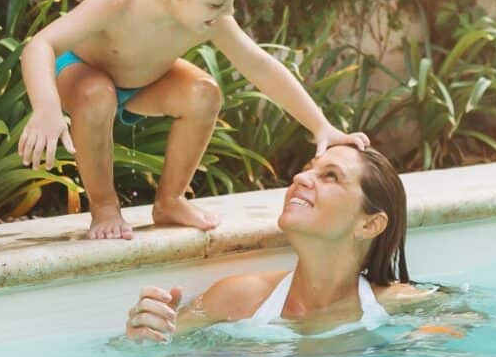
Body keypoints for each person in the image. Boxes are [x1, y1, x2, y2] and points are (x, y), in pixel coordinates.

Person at [17, 0, 367, 238]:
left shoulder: (209, 18)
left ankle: (170, 201)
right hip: (81, 74)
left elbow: (259, 65)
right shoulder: (118, 1)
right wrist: (47, 108)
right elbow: (40, 46)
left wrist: (320, 125)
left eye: (232, 0)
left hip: (143, 83)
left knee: (204, 93)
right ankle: (105, 207)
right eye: (217, 2)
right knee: (97, 95)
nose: (227, 11)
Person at [124, 144, 431, 340]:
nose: (300, 178)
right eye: (309, 168)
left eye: (330, 176)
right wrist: (142, 331)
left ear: (369, 224)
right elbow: (148, 350)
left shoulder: (400, 304)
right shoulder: (235, 298)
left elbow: (459, 327)